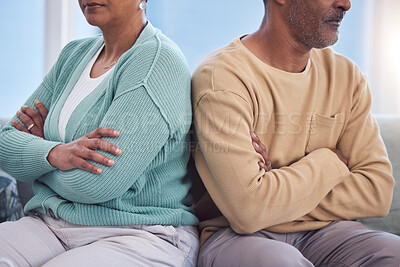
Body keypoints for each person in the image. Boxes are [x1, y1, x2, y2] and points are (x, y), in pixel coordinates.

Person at [192, 0, 400, 266]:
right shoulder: (223, 79)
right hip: (240, 237)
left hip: (329, 232)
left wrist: (272, 192)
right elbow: (248, 211)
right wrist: (329, 161)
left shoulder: (347, 76)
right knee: (279, 261)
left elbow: (377, 191)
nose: (346, 4)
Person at [0, 0, 199, 266]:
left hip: (140, 233)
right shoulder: (74, 55)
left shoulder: (157, 61)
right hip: (52, 224)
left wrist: (36, 159)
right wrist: (55, 153)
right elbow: (5, 144)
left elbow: (96, 183)